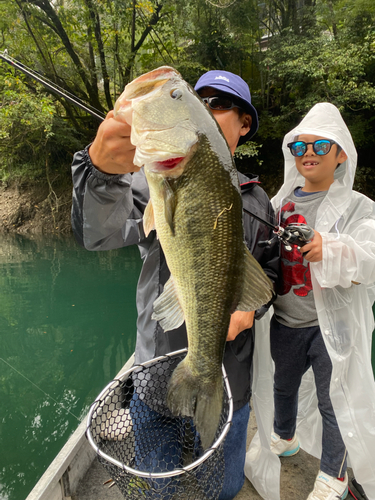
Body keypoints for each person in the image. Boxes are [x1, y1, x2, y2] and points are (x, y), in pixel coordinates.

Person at [71, 69, 279, 499]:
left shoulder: (260, 202)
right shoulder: (152, 179)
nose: (206, 108)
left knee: (224, 487)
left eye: (220, 104)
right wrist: (101, 169)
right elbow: (99, 233)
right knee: (158, 488)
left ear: (244, 125)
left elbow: (270, 274)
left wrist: (248, 312)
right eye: (200, 101)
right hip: (155, 365)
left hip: (228, 374)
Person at [267, 102, 375, 500]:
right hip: (284, 322)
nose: (308, 154)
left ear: (341, 152)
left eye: (320, 146)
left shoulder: (359, 207)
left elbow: (371, 256)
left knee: (336, 401)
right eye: (300, 147)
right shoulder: (277, 205)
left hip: (332, 329)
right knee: (283, 385)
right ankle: (283, 436)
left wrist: (331, 247)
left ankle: (334, 474)